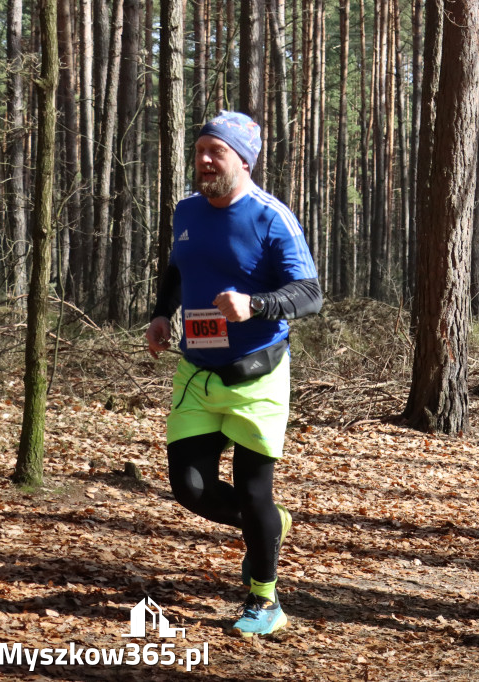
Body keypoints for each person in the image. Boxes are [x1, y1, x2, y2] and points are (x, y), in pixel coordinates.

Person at [145, 110, 322, 637]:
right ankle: (271, 528)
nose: (203, 160)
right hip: (198, 372)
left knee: (252, 494)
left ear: (243, 160)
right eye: (199, 149)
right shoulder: (185, 212)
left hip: (258, 375)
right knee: (190, 488)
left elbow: (309, 294)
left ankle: (264, 601)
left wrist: (256, 304)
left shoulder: (271, 217)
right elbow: (177, 268)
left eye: (214, 152)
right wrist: (161, 313)